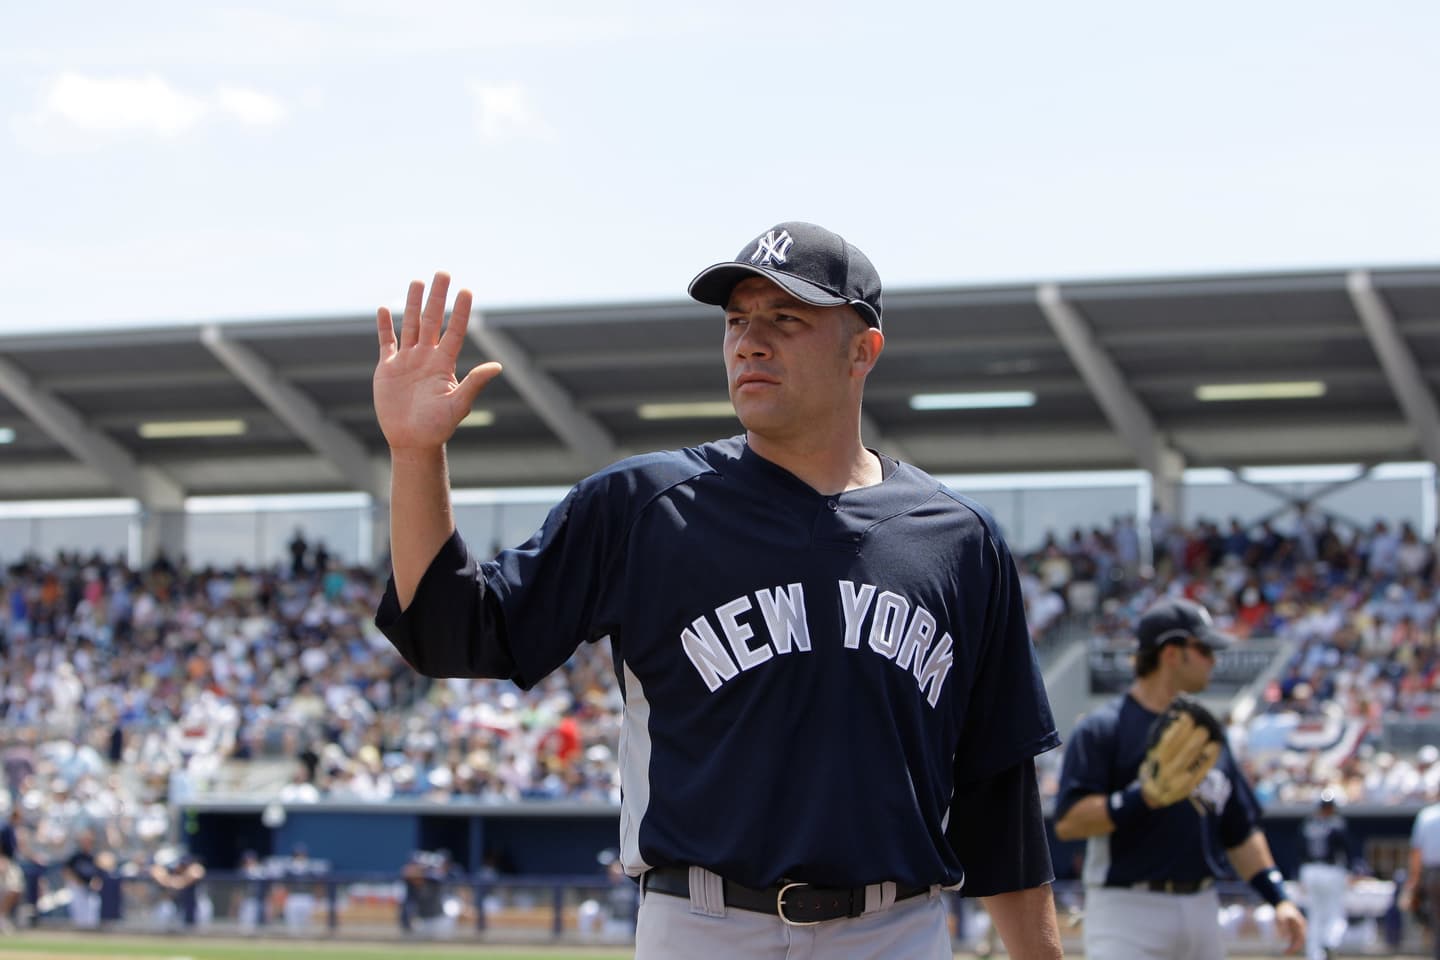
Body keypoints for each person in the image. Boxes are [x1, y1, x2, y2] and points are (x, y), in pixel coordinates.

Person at [372, 221, 1063, 958]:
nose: (749, 341)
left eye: (786, 319)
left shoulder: (958, 538)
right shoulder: (642, 506)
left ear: (863, 350)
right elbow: (452, 633)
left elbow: (999, 787)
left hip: (897, 928)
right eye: (737, 320)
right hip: (705, 924)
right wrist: (417, 454)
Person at [1053, 596, 1306, 958]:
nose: (1213, 660)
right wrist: (1144, 797)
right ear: (1171, 652)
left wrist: (1278, 897)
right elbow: (1068, 822)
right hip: (1127, 907)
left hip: (1203, 905)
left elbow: (1240, 830)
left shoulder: (1206, 736)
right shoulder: (1104, 728)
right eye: (1204, 648)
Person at [1298, 790, 1354, 960]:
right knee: (1335, 913)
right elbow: (1347, 851)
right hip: (1331, 871)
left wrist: (1300, 875)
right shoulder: (1337, 825)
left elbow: (1298, 852)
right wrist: (1350, 872)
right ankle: (1330, 943)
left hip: (1310, 871)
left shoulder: (1308, 825)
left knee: (1315, 915)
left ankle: (1314, 954)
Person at [1404, 790, 1440, 958]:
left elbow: (1417, 852)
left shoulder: (1427, 815)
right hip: (1433, 872)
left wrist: (1414, 880)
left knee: (1437, 917)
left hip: (1434, 875)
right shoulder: (1427, 815)